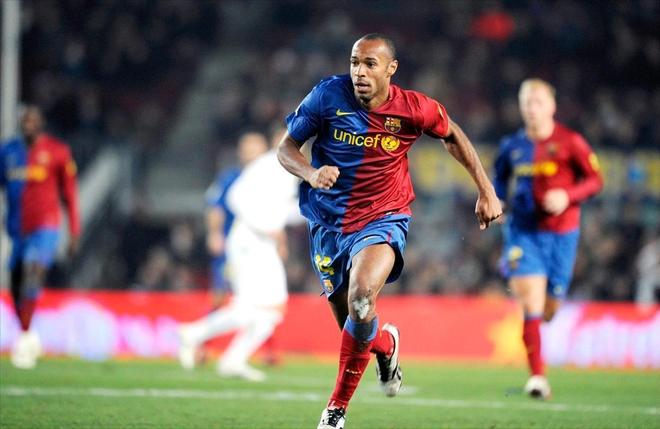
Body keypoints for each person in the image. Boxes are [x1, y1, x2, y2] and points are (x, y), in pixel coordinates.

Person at [277, 33, 502, 429]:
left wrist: (486, 190)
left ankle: (335, 411)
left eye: (370, 64)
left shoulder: (414, 108)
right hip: (327, 223)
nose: (359, 72)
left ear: (390, 69)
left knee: (362, 297)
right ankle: (386, 345)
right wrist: (311, 173)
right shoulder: (327, 96)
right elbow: (286, 149)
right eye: (354, 62)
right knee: (356, 325)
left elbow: (452, 134)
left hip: (382, 216)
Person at [493, 78, 603, 399]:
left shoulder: (571, 142)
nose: (532, 108)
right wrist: (496, 201)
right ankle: (538, 377)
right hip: (523, 231)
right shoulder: (512, 146)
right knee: (532, 302)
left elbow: (595, 180)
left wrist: (568, 196)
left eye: (538, 101)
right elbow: (499, 179)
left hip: (562, 235)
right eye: (526, 102)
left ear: (552, 106)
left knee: (550, 309)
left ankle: (530, 288)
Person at [177, 130, 299, 382]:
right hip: (248, 241)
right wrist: (264, 227)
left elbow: (282, 211)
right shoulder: (267, 165)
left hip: (263, 242)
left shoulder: (289, 169)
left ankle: (232, 360)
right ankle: (193, 333)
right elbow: (235, 198)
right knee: (250, 306)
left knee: (274, 309)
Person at [0, 105, 80, 369]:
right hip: (17, 230)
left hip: (46, 227)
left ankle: (24, 339)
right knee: (15, 282)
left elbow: (70, 195)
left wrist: (74, 231)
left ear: (41, 123)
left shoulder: (57, 151)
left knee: (34, 271)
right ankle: (27, 332)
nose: (28, 125)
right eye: (25, 121)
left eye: (33, 121)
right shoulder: (8, 152)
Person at [205, 133, 268, 307]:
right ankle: (214, 319)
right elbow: (215, 207)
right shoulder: (230, 178)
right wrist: (215, 233)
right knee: (222, 289)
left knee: (259, 292)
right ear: (240, 153)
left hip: (261, 246)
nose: (251, 155)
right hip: (231, 244)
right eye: (247, 150)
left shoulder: (271, 182)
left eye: (255, 151)